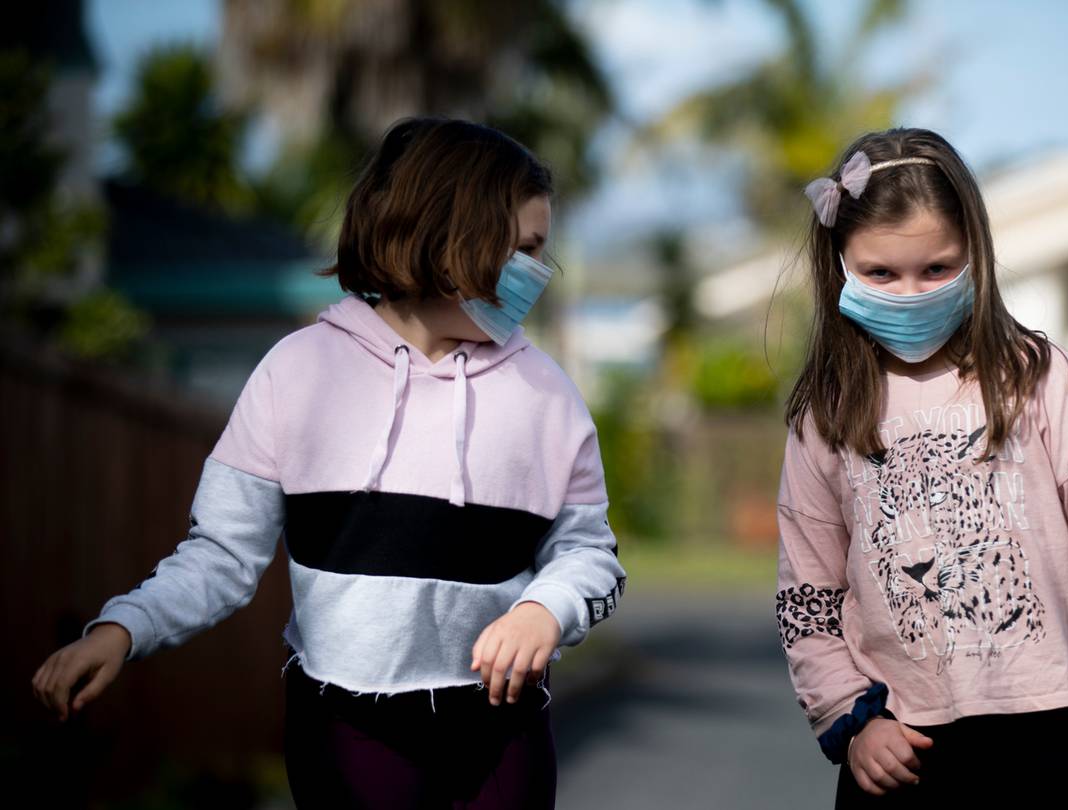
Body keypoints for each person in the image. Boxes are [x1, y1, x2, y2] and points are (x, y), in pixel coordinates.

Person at [31, 118, 626, 809]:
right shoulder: (295, 372)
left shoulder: (548, 395)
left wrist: (545, 611)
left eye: (541, 251)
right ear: (447, 234)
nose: (538, 274)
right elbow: (220, 554)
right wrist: (123, 628)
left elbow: (592, 555)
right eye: (524, 249)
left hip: (502, 733)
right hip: (345, 733)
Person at [775, 127, 1068, 809]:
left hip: (1042, 741)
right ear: (840, 265)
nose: (910, 293)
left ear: (976, 253)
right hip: (894, 745)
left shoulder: (1042, 380)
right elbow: (807, 601)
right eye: (881, 274)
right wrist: (851, 719)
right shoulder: (827, 412)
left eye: (937, 269)